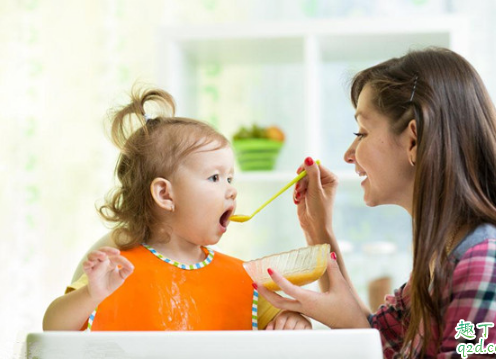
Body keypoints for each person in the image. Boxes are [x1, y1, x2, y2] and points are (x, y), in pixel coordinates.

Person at [254, 47, 496, 358]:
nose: (349, 153)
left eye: (361, 132)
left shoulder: (486, 259)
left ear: (414, 140)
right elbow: (376, 340)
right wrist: (318, 231)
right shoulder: (439, 261)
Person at [43, 87, 311, 331]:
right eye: (214, 178)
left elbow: (284, 328)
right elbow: (54, 329)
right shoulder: (116, 271)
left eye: (230, 178)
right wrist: (91, 294)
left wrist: (294, 321)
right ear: (164, 194)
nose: (231, 189)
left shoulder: (243, 279)